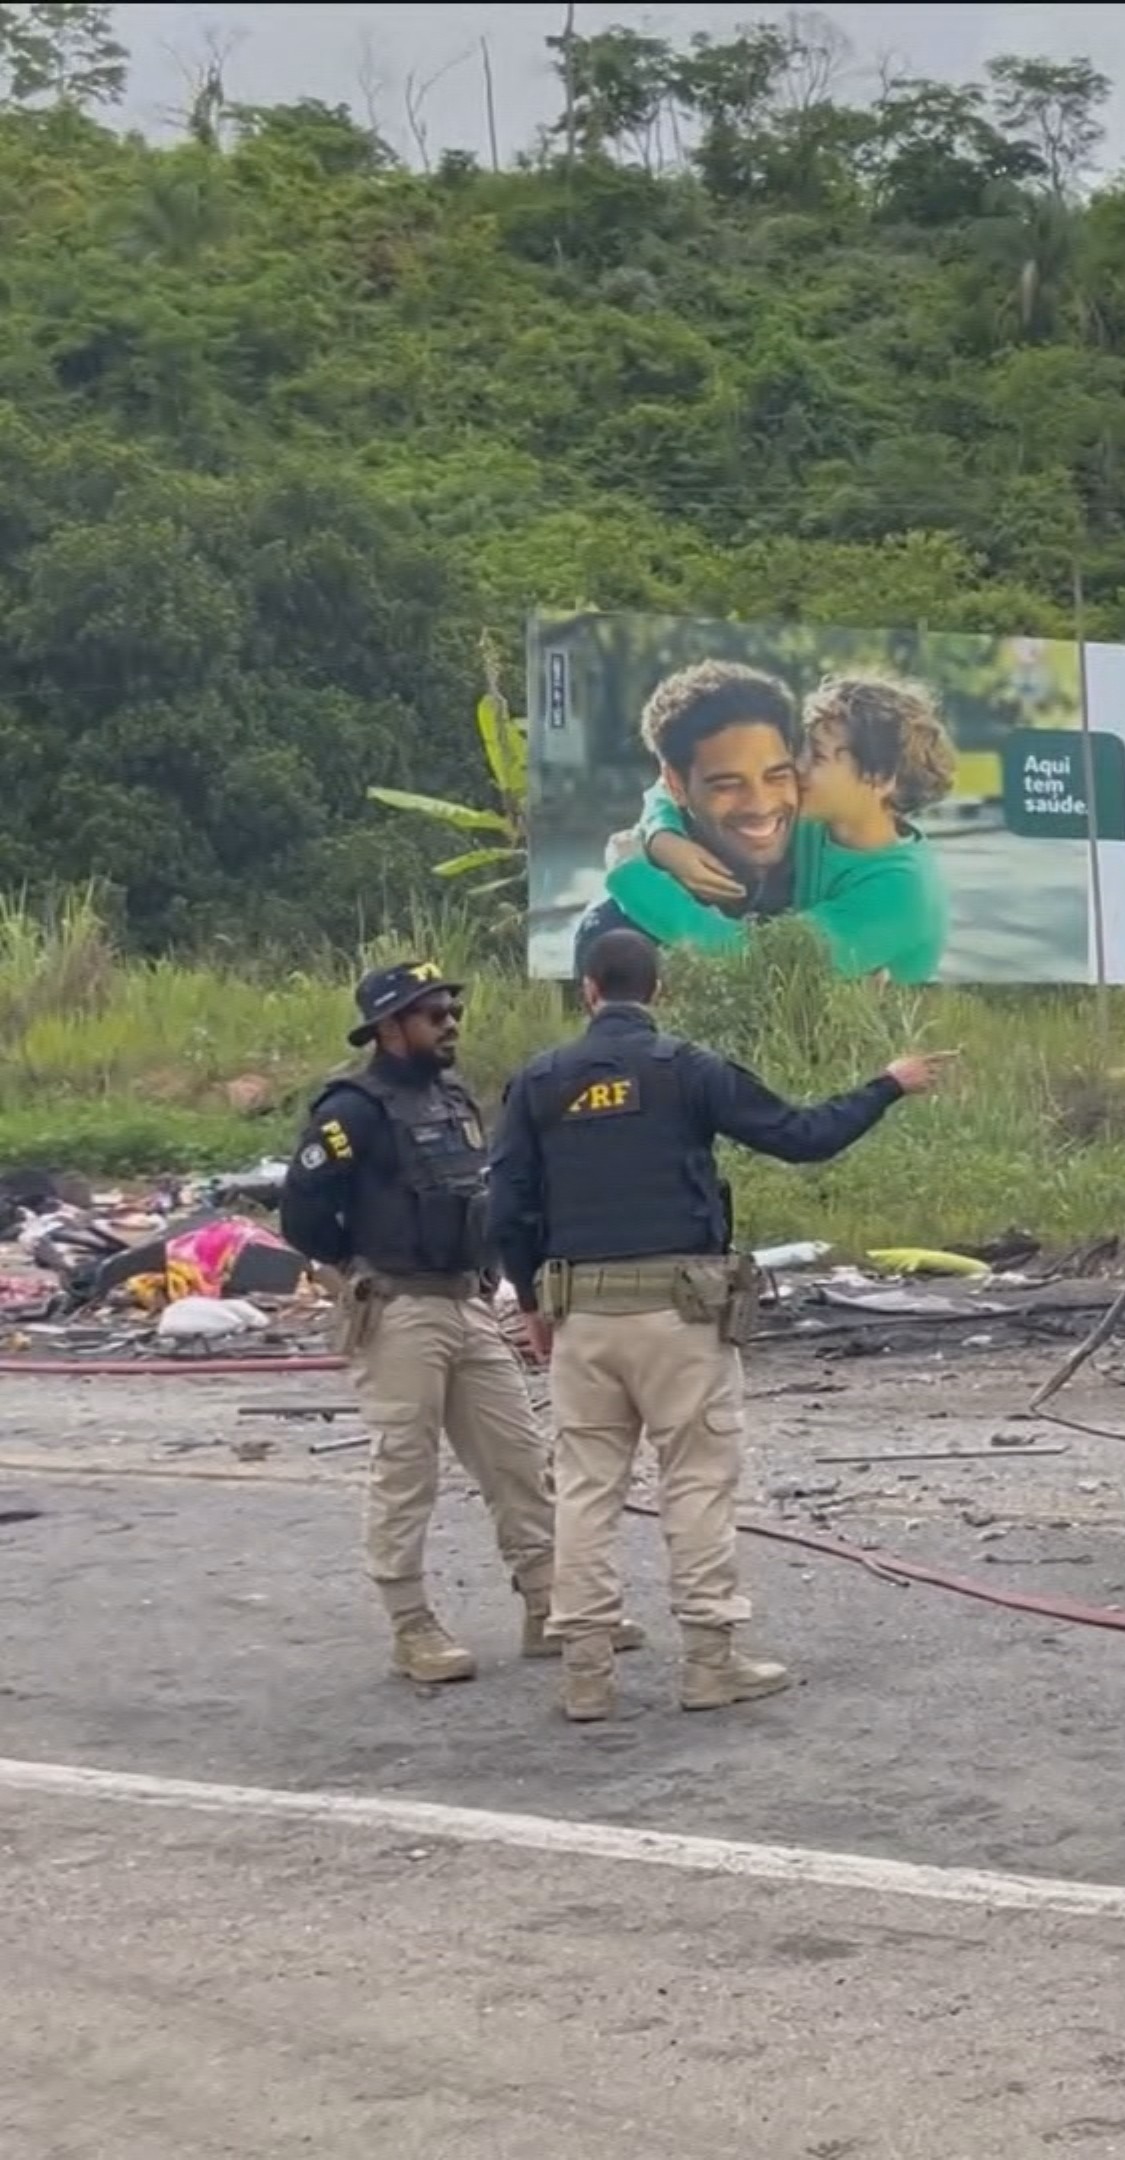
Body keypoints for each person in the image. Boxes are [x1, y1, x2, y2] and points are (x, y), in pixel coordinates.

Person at [483, 929, 948, 1723]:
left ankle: (587, 1674)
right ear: (656, 991)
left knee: (588, 1489)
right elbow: (803, 1137)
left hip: (582, 1314)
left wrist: (531, 1304)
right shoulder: (688, 1071)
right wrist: (887, 1085)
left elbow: (507, 1204)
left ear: (588, 991)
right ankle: (708, 1664)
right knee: (695, 1483)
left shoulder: (539, 1082)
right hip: (680, 1316)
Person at [279, 961, 631, 1684]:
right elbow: (304, 1210)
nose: (450, 1025)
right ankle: (412, 1626)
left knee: (519, 1459)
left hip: (465, 1300)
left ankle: (548, 1606)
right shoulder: (352, 1110)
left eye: (450, 1011)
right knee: (406, 1470)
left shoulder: (451, 1096)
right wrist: (353, 1266)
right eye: (432, 1014)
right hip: (399, 1305)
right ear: (389, 1027)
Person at [610, 669, 958, 984]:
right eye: (803, 749)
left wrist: (631, 876)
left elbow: (757, 960)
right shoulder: (821, 823)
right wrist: (662, 835)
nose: (796, 767)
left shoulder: (900, 893)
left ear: (881, 778)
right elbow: (672, 785)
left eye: (817, 756)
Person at [565, 659, 810, 980]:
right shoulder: (619, 932)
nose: (760, 805)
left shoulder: (833, 865)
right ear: (677, 785)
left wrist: (658, 832)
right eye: (727, 785)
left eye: (777, 776)